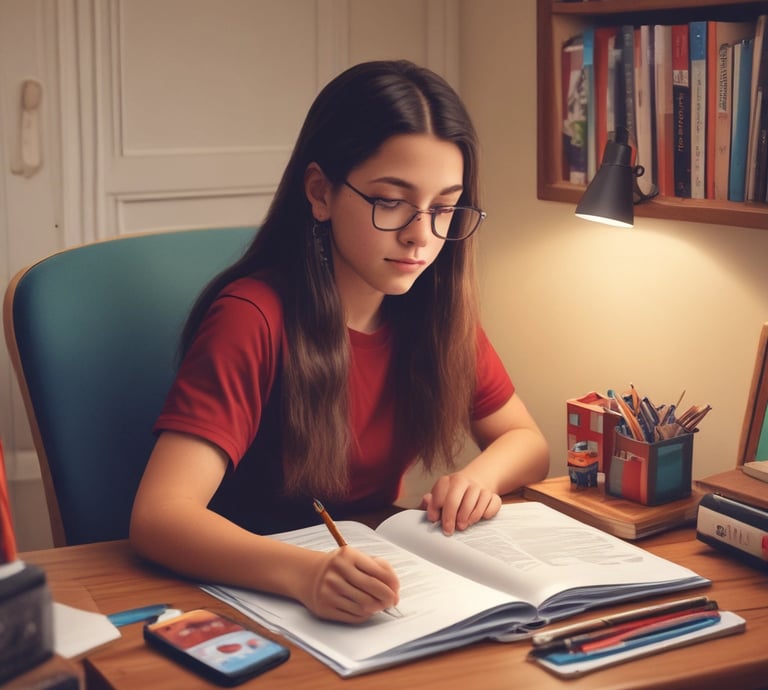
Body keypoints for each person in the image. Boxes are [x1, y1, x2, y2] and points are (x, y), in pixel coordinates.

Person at [129, 59, 549, 624]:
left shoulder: (433, 311)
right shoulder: (252, 318)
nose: (421, 236)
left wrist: (477, 478)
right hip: (251, 596)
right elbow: (160, 516)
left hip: (372, 583)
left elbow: (525, 440)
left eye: (445, 208)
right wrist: (304, 574)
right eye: (390, 201)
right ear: (321, 193)